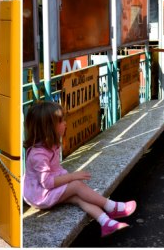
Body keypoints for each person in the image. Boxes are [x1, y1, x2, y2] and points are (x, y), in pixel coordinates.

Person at [22, 101, 136, 238]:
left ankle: (106, 223)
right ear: (49, 127)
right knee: (76, 185)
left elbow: (53, 171)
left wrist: (68, 178)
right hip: (39, 196)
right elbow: (46, 182)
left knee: (78, 197)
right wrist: (72, 177)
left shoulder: (50, 145)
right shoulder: (38, 154)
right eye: (61, 121)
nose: (65, 123)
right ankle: (112, 207)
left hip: (45, 190)